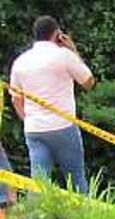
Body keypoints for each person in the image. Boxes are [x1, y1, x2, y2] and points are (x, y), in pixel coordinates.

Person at [9, 15, 95, 192]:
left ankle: (38, 210)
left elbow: (16, 99)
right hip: (63, 125)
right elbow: (88, 82)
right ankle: (82, 209)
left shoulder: (20, 61)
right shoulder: (64, 56)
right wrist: (73, 51)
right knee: (75, 178)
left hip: (34, 128)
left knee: (39, 182)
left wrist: (27, 119)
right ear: (57, 34)